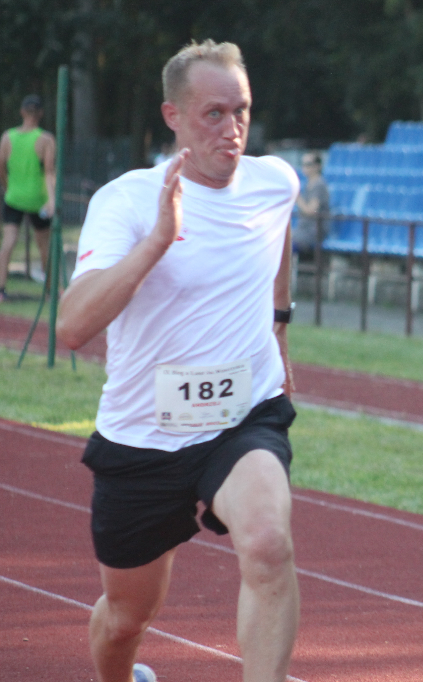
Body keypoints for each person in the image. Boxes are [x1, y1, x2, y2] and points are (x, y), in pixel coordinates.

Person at [56, 40, 300, 682]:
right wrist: (158, 242)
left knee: (269, 546)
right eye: (213, 113)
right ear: (173, 116)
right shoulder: (127, 201)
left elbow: (279, 239)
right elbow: (73, 326)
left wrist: (279, 327)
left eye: (241, 110)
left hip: (242, 418)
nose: (233, 127)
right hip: (142, 437)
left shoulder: (275, 183)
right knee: (126, 618)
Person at [0, 94, 56, 302]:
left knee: (8, 242)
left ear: (22, 112)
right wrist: (51, 201)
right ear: (40, 114)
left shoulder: (7, 137)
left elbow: (1, 168)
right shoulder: (46, 139)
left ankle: (1, 289)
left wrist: (8, 188)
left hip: (13, 197)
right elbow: (50, 172)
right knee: (44, 246)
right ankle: (50, 291)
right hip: (37, 199)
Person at [293, 151, 329, 255]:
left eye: (308, 164)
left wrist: (297, 197)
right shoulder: (308, 184)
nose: (304, 167)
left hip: (313, 231)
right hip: (303, 230)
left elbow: (311, 210)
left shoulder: (319, 184)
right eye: (303, 164)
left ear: (317, 166)